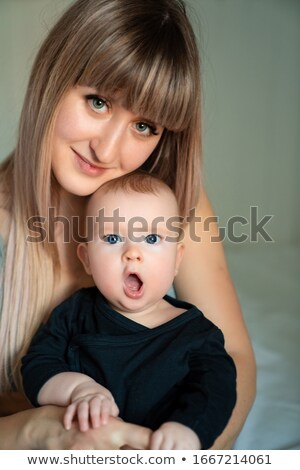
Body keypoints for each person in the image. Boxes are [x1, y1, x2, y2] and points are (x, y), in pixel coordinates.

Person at [0, 0, 255, 450]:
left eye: (144, 125)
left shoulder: (175, 205)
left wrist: (185, 450)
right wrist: (35, 434)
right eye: (97, 102)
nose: (107, 149)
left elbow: (231, 358)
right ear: (51, 78)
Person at [22, 172, 237, 450]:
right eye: (112, 239)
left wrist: (188, 430)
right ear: (86, 258)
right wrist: (78, 389)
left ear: (176, 259)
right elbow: (38, 366)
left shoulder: (197, 334)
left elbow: (216, 391)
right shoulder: (74, 314)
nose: (132, 252)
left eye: (151, 238)